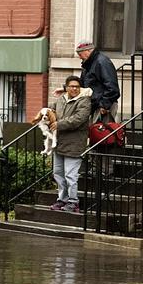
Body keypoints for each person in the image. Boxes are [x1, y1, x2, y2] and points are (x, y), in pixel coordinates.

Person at [48, 75, 92, 213]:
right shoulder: (61, 99)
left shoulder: (84, 101)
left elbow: (78, 119)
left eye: (77, 87)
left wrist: (58, 124)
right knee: (58, 173)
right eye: (71, 86)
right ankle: (62, 199)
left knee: (70, 175)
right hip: (59, 143)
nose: (74, 89)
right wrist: (47, 114)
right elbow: (52, 109)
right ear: (66, 88)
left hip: (74, 144)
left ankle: (73, 202)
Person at [75, 40, 120, 123]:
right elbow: (82, 83)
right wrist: (65, 88)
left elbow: (112, 87)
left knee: (103, 133)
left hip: (103, 106)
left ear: (88, 51)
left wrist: (104, 105)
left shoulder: (102, 62)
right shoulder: (89, 64)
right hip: (96, 105)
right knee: (97, 133)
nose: (79, 57)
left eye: (80, 54)